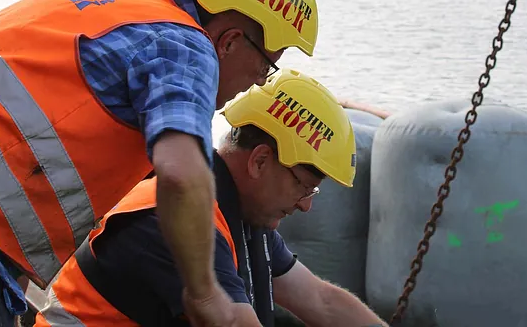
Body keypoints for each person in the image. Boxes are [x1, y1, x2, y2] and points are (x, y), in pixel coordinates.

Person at [0, 0, 319, 327]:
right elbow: (181, 171)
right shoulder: (187, 47)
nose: (260, 81)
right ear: (229, 41)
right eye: (266, 65)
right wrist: (206, 295)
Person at [34, 69, 386, 327]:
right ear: (260, 161)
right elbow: (233, 321)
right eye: (303, 186)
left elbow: (320, 300)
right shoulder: (174, 219)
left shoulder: (243, 216)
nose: (306, 204)